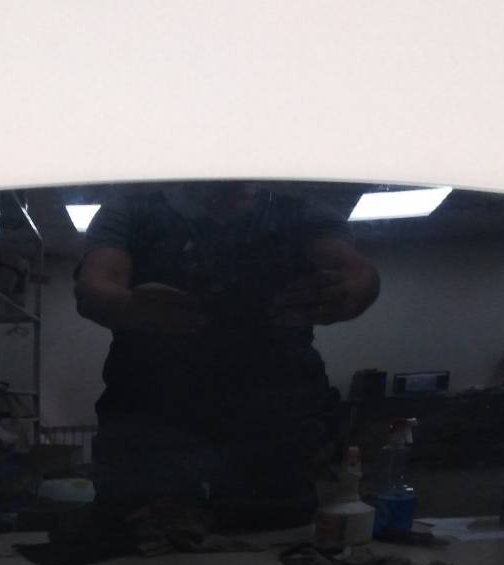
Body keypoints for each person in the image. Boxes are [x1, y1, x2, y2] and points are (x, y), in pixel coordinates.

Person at [74, 182, 379, 531]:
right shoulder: (131, 210)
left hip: (268, 422)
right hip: (156, 420)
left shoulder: (302, 212)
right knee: (139, 538)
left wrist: (352, 291)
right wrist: (125, 306)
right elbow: (94, 288)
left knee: (271, 539)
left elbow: (359, 276)